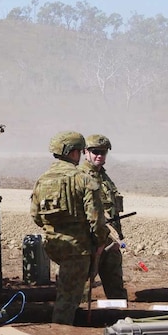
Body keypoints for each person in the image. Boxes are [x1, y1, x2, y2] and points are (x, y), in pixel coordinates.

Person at [30, 131, 109, 325]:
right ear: (74, 152)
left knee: (66, 288)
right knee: (68, 298)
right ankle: (61, 330)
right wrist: (100, 241)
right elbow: (96, 219)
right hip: (77, 249)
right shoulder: (83, 179)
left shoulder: (42, 180)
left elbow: (36, 217)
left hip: (53, 245)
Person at [80, 134, 128, 300]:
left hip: (109, 242)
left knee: (116, 290)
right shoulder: (79, 177)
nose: (99, 155)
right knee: (82, 291)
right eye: (95, 151)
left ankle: (120, 321)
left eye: (103, 152)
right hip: (89, 242)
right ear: (85, 152)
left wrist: (117, 237)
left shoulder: (105, 179)